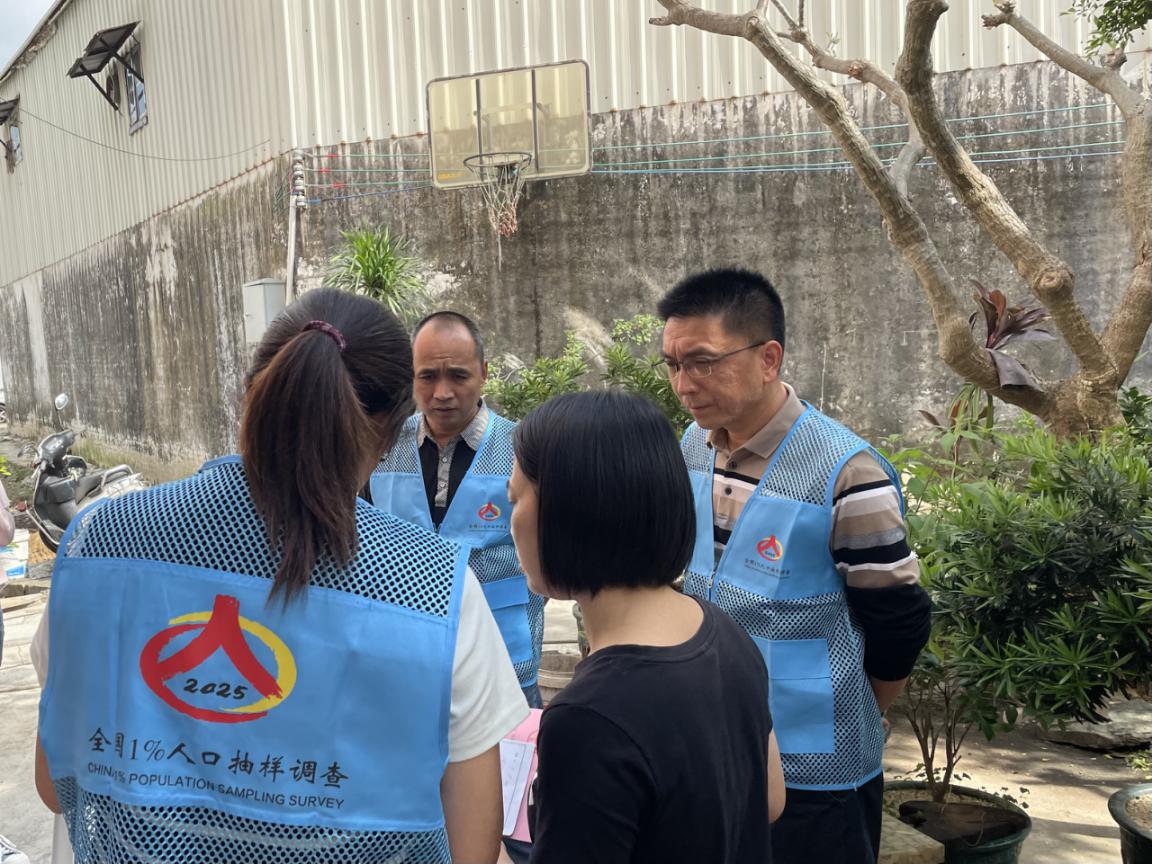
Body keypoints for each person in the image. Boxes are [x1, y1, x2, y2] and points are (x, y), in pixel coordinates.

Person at [33, 288, 528, 864]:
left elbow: (54, 784)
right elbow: (472, 849)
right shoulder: (435, 587)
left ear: (249, 394)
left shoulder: (98, 544)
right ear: (395, 426)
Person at [658, 269, 932, 864]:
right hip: (717, 745)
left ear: (769, 358)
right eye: (673, 365)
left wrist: (864, 711)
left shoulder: (848, 473)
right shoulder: (692, 448)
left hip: (817, 771)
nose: (684, 384)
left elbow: (898, 618)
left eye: (702, 362)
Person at [508, 391, 785, 864]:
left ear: (566, 513)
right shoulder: (723, 632)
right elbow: (771, 800)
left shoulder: (587, 720)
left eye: (515, 498)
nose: (510, 519)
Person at [370, 311, 544, 707]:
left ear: (484, 373)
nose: (442, 393)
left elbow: (549, 555)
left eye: (458, 376)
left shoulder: (524, 449)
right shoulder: (381, 449)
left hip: (503, 661)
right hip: (405, 658)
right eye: (428, 376)